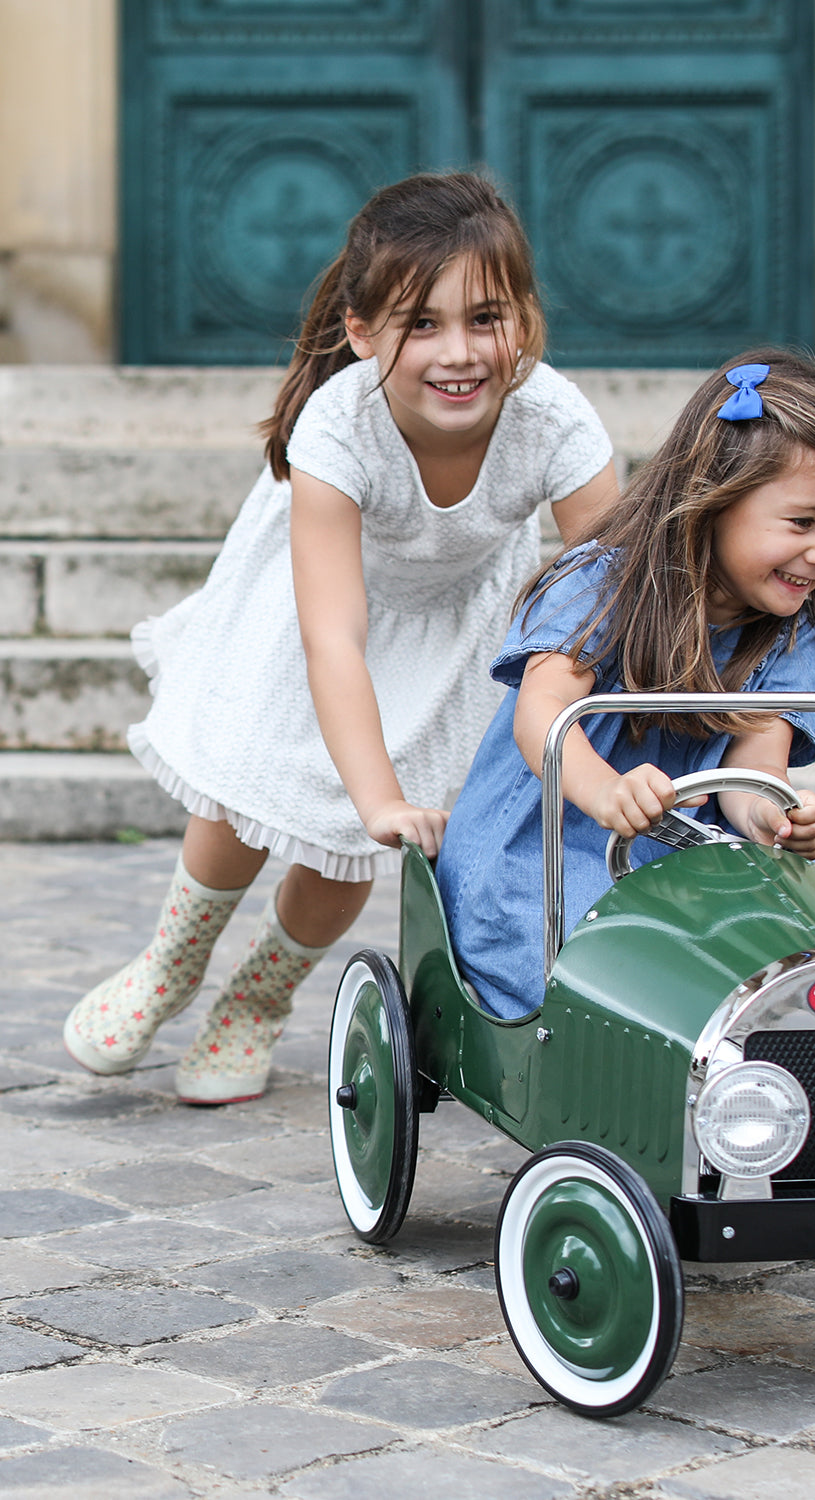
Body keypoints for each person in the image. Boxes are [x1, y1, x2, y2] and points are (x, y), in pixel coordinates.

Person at [63, 171, 617, 1102]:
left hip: (459, 616)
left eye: (488, 318)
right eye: (422, 323)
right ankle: (171, 962)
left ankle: (258, 999)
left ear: (524, 316)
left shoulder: (553, 419)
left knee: (352, 846)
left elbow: (616, 586)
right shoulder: (339, 425)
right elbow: (333, 635)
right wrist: (374, 791)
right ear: (362, 334)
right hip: (320, 605)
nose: (460, 352)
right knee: (248, 790)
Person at [436, 350, 815, 1019]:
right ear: (714, 502)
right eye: (803, 523)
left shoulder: (788, 634)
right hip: (543, 856)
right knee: (599, 984)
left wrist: (771, 812)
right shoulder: (602, 584)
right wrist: (605, 789)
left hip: (682, 868)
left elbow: (750, 771)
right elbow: (543, 713)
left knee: (791, 966)